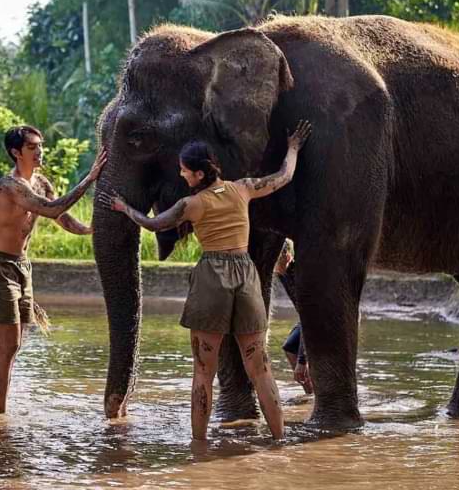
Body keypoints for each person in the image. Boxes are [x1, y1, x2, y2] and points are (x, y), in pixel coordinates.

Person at [100, 121, 312, 441]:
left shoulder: (191, 205)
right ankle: (279, 439)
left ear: (199, 174)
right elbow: (284, 176)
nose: (182, 176)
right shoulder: (243, 188)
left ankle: (198, 445)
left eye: (185, 171)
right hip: (245, 274)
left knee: (203, 371)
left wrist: (123, 207)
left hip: (212, 276)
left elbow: (153, 224)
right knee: (260, 367)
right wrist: (293, 147)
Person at [0, 125, 106, 413]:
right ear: (16, 152)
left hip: (23, 267)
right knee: (9, 345)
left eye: (40, 146)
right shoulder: (10, 186)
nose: (40, 152)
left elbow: (60, 216)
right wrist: (90, 178)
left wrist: (88, 230)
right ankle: (0, 418)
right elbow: (50, 209)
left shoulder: (41, 183)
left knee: (14, 345)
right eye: (32, 147)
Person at [274, 240, 312, 394]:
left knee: (305, 362)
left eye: (277, 259)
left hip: (321, 319)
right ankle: (310, 393)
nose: (274, 264)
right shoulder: (283, 273)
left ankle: (318, 394)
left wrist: (302, 361)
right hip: (307, 317)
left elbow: (309, 317)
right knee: (289, 347)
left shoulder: (299, 274)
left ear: (287, 256)